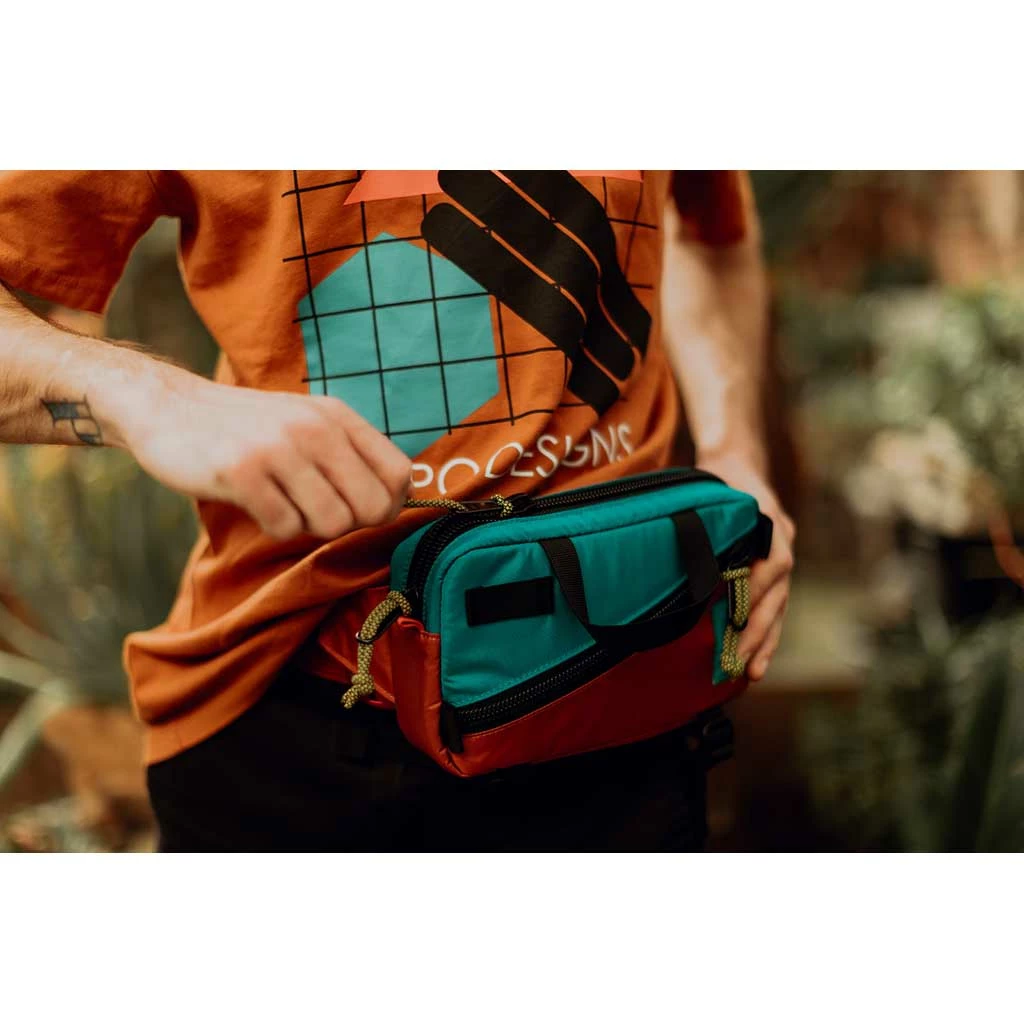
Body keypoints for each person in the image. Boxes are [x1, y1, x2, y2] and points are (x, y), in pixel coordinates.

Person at [0, 170, 795, 851]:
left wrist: (738, 458)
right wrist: (149, 397)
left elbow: (710, 232)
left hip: (628, 680)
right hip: (300, 712)